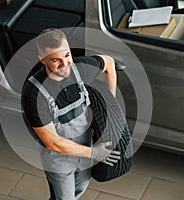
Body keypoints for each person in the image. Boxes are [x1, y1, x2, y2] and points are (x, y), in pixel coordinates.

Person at [21, 28, 121, 200]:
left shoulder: (80, 68)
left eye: (67, 55)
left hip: (86, 147)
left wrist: (109, 105)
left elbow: (109, 63)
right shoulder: (34, 93)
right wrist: (94, 153)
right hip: (59, 159)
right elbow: (52, 142)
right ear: (42, 60)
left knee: (79, 189)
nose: (65, 64)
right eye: (55, 60)